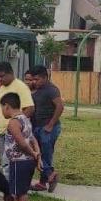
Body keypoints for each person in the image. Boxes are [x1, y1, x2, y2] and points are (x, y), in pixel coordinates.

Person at [0, 92, 41, 201]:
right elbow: (33, 139)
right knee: (21, 191)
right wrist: (37, 155)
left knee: (21, 193)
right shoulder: (25, 118)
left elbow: (22, 143)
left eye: (1, 108)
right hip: (27, 161)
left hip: (20, 161)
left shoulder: (14, 122)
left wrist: (33, 153)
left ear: (7, 106)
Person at [0, 61, 35, 179]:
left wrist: (16, 125)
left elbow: (30, 109)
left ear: (11, 73)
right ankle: (8, 186)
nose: (0, 79)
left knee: (9, 162)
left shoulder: (20, 87)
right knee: (3, 161)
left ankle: (9, 189)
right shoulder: (0, 87)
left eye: (2, 76)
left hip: (14, 133)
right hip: (1, 131)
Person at [29, 65, 64, 193]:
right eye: (33, 79)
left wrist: (50, 125)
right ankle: (48, 176)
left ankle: (46, 179)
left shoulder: (51, 90)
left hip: (48, 127)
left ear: (45, 77)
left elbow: (60, 107)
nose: (34, 82)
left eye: (37, 79)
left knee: (45, 153)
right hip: (37, 126)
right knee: (37, 152)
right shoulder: (35, 88)